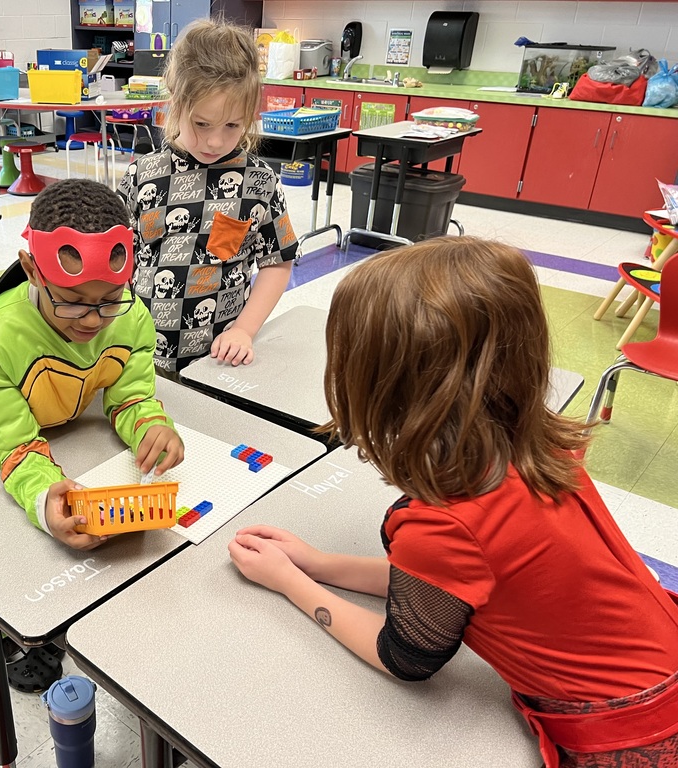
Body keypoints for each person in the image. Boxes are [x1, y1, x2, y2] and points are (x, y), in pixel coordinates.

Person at [228, 237, 678, 767]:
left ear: (390, 386)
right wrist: (321, 563)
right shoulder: (538, 445)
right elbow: (456, 583)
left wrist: (291, 581)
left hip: (628, 730)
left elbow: (404, 657)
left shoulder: (443, 526)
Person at [0, 179, 185, 548]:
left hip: (66, 427)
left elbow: (132, 398)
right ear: (31, 270)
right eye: (71, 301)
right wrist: (45, 500)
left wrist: (152, 427)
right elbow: (15, 446)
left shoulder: (132, 318)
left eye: (110, 299)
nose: (93, 320)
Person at [117, 19, 300, 375]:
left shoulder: (259, 182)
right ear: (175, 103)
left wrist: (245, 330)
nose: (216, 141)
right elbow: (119, 261)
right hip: (139, 358)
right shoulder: (142, 175)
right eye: (202, 124)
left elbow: (277, 262)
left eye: (233, 125)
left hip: (219, 362)